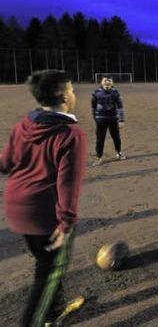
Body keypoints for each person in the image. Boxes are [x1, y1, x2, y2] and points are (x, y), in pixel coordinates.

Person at [0, 70, 87, 326]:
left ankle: (53, 309)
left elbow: (6, 163)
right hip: (44, 214)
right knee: (48, 272)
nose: (73, 94)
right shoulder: (70, 135)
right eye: (71, 90)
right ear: (63, 96)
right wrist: (66, 223)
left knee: (46, 261)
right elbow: (68, 184)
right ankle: (38, 320)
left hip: (17, 207)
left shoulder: (24, 125)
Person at [91, 76, 125, 166]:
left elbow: (120, 107)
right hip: (101, 120)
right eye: (105, 81)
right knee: (100, 139)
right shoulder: (96, 93)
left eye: (109, 81)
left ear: (112, 83)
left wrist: (121, 119)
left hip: (113, 119)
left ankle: (119, 153)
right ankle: (99, 157)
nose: (107, 82)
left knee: (116, 137)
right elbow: (93, 107)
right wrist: (95, 118)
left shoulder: (115, 93)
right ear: (102, 82)